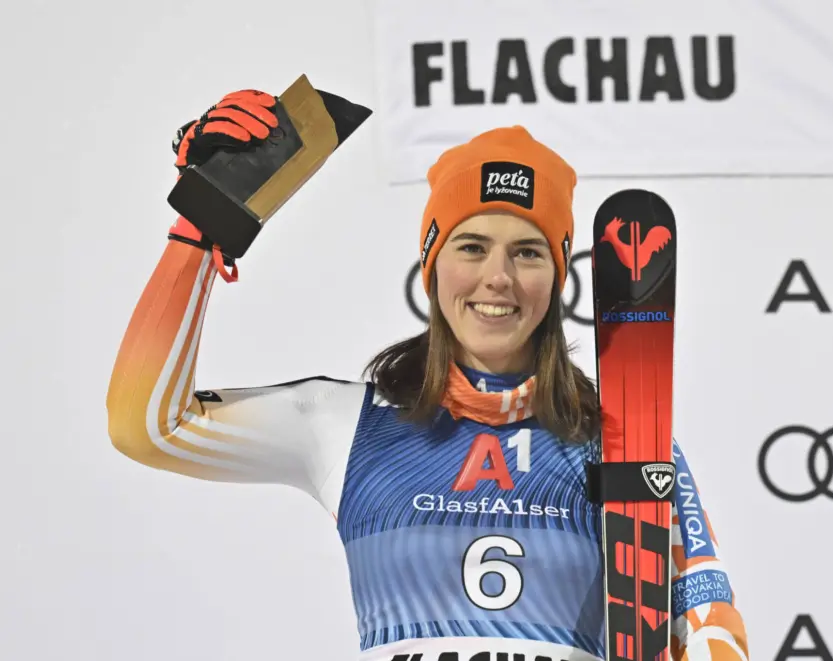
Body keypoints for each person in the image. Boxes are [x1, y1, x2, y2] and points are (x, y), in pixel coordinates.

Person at [106, 88, 750, 661]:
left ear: (558, 279)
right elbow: (150, 427)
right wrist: (200, 227)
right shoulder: (347, 426)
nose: (497, 278)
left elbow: (711, 622)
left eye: (527, 252)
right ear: (431, 266)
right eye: (471, 247)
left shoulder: (625, 441)